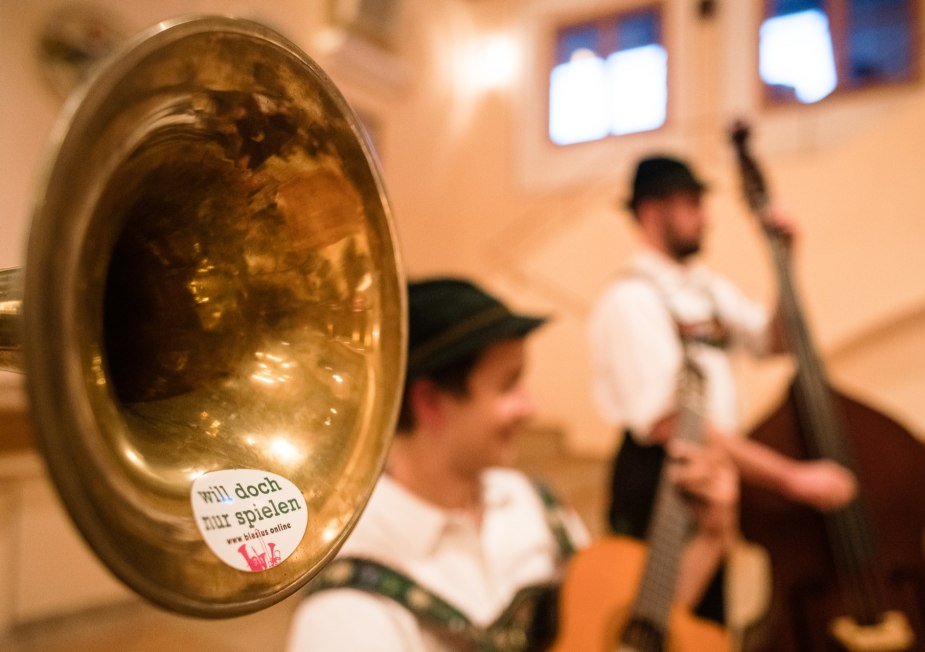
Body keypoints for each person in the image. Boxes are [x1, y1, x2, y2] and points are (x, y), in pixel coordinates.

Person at [286, 276, 738, 651]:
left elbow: (627, 631)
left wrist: (712, 537)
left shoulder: (530, 500)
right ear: (430, 403)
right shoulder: (345, 609)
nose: (531, 406)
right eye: (509, 386)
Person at [587, 155, 858, 624]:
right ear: (652, 212)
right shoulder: (629, 301)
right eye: (692, 203)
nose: (705, 217)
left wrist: (785, 262)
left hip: (712, 475)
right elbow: (676, 425)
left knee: (704, 629)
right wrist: (791, 478)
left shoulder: (706, 289)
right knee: (657, 626)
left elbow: (778, 340)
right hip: (660, 481)